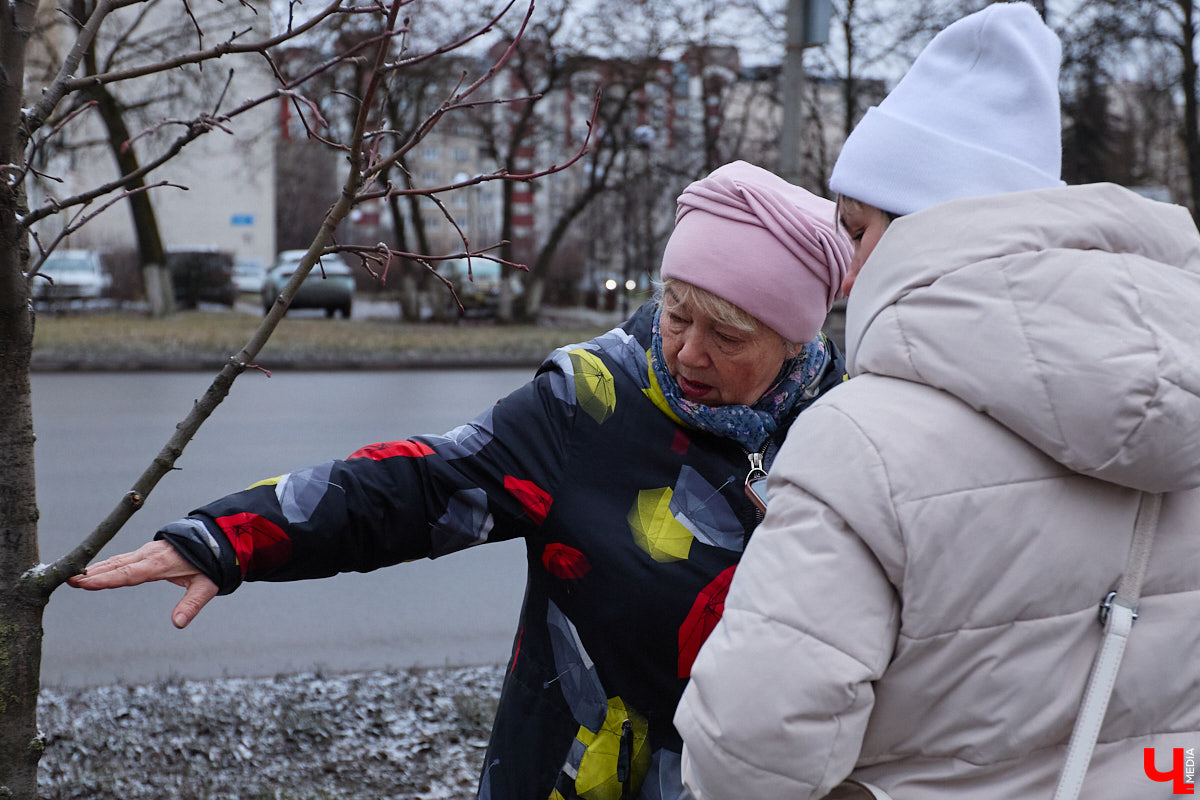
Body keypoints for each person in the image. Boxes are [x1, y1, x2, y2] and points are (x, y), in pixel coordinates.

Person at [70, 160, 853, 799]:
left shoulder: (850, 432)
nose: (686, 352)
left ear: (796, 342)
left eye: (727, 336)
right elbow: (423, 485)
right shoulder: (591, 401)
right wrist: (229, 537)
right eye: (677, 313)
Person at [675, 4, 1200, 800]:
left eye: (856, 231)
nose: (848, 273)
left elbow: (750, 754)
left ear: (923, 228)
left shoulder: (858, 444)